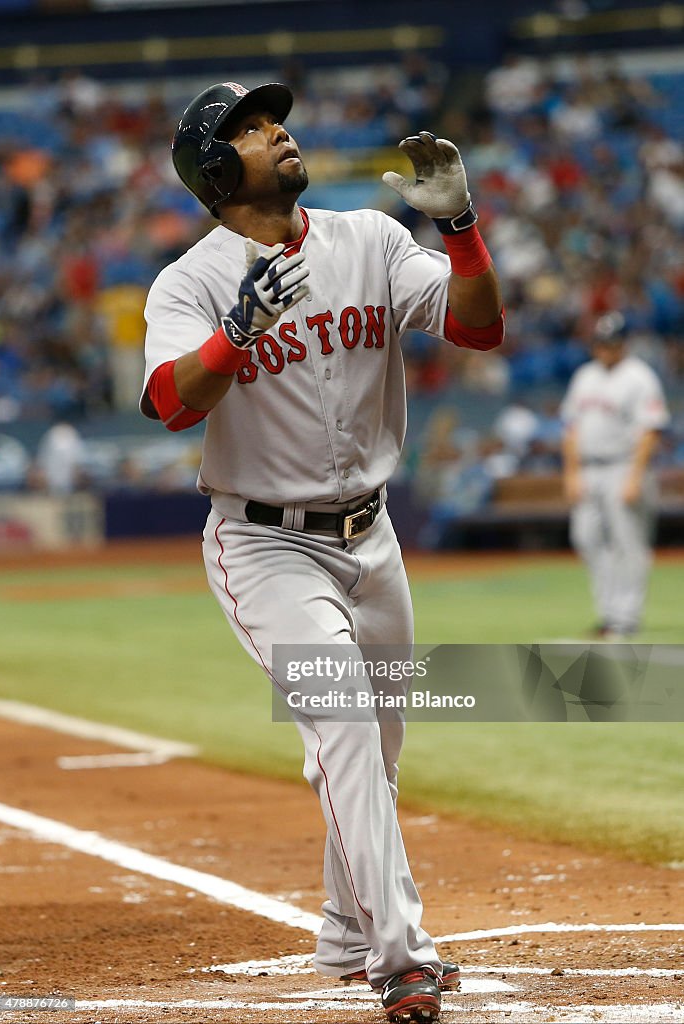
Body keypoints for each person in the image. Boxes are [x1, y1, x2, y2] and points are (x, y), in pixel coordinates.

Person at [140, 80, 504, 1024]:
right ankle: (402, 957)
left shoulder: (370, 241)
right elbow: (174, 403)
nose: (280, 133)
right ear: (215, 170)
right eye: (254, 130)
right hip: (264, 543)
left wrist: (460, 225)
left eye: (275, 119)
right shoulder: (190, 283)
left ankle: (348, 929)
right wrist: (236, 333)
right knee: (344, 727)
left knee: (375, 746)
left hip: (371, 536)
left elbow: (477, 325)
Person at [561, 311, 670, 639]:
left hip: (623, 465)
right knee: (586, 538)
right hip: (589, 468)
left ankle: (626, 617)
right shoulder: (585, 375)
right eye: (601, 342)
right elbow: (571, 428)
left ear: (623, 344)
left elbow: (650, 430)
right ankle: (609, 613)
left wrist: (635, 476)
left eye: (612, 342)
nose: (605, 348)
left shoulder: (639, 377)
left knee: (629, 543)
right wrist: (571, 472)